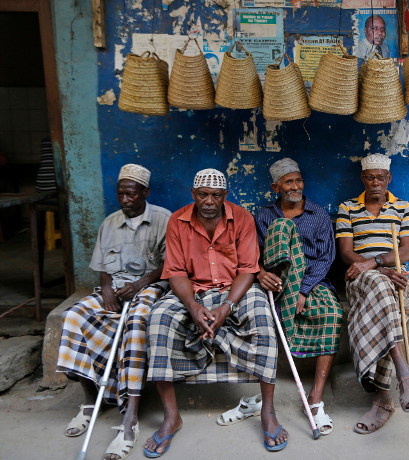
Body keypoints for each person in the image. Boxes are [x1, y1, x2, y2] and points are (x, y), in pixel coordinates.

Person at [143, 168, 287, 456]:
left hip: (235, 288)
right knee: (158, 319)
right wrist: (193, 307)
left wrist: (227, 307)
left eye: (216, 196)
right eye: (203, 195)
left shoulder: (242, 218)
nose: (209, 201)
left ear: (225, 196)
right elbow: (175, 271)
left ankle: (268, 412)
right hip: (193, 289)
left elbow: (248, 269)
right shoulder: (178, 220)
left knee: (262, 318)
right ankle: (172, 417)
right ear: (193, 194)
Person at [218, 158, 342, 435]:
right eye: (288, 182)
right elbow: (252, 253)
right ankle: (260, 399)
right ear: (276, 187)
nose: (295, 186)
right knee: (282, 228)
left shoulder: (319, 214)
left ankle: (315, 397)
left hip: (311, 280)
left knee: (332, 312)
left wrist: (303, 289)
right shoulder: (263, 215)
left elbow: (326, 258)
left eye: (298, 180)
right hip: (276, 281)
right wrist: (260, 272)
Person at [57, 164, 170, 460]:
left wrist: (140, 284)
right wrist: (106, 289)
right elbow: (103, 267)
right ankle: (89, 401)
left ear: (145, 192)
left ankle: (130, 415)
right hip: (116, 288)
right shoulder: (109, 223)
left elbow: (171, 266)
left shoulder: (163, 219)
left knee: (136, 323)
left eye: (131, 194)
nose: (125, 200)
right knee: (73, 316)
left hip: (149, 286)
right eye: (120, 194)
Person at [335, 153, 409, 435]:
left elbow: (406, 251)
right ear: (363, 178)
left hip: (391, 275)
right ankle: (403, 372)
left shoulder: (402, 207)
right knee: (383, 290)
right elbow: (347, 254)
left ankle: (383, 400)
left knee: (385, 293)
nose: (375, 182)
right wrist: (375, 270)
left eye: (380, 178)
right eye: (370, 177)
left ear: (389, 179)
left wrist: (376, 264)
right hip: (359, 278)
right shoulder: (347, 208)